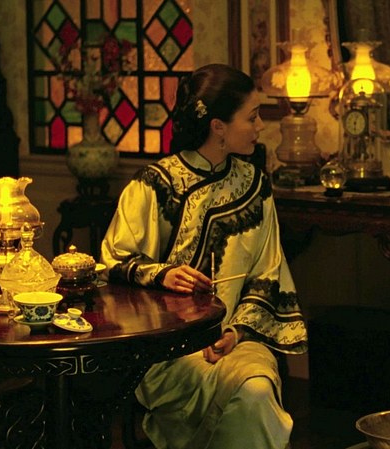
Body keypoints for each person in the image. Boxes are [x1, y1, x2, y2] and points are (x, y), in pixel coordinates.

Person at [100, 63, 307, 449]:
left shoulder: (254, 185)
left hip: (239, 339)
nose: (260, 126)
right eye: (252, 117)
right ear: (218, 127)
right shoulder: (154, 185)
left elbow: (268, 271)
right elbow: (113, 261)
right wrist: (162, 274)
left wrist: (235, 332)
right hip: (167, 348)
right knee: (246, 397)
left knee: (256, 390)